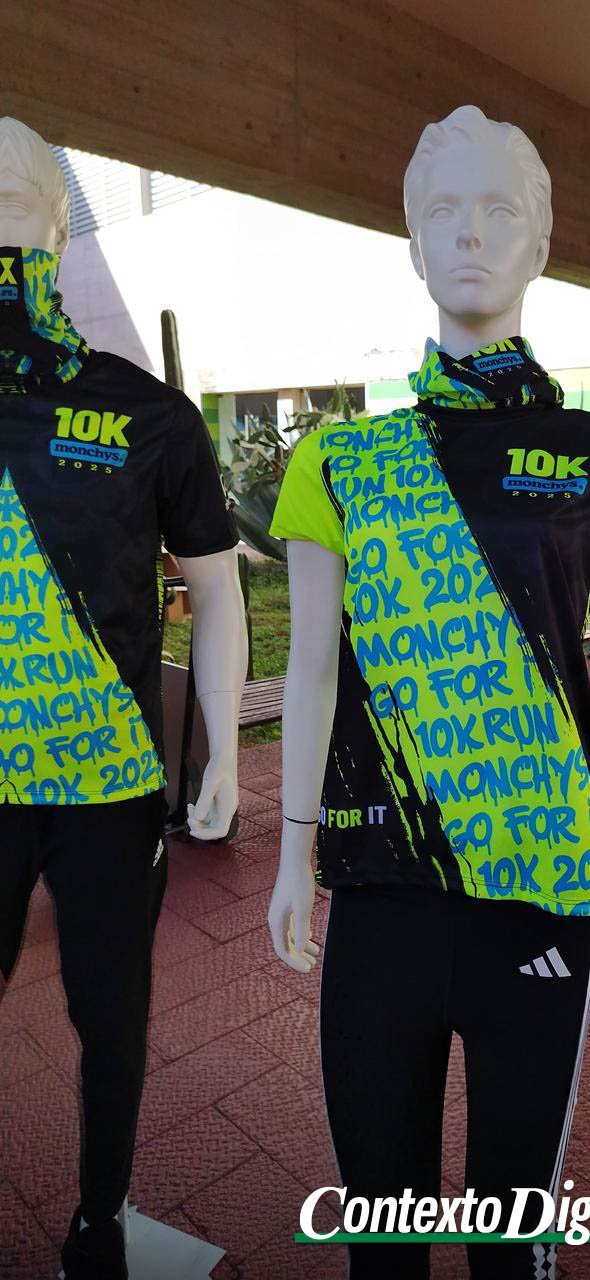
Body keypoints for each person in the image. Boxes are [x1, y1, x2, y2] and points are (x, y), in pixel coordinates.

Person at [267, 105, 590, 1279]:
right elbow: (314, 668)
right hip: (378, 894)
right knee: (382, 1240)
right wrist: (291, 850)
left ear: (541, 243)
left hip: (539, 898)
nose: (469, 233)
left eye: (498, 208)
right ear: (412, 241)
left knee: (510, 1247)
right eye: (444, 210)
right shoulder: (340, 459)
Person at [0, 116, 247, 1280]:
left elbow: (219, 588)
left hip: (110, 786)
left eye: (15, 199)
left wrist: (223, 752)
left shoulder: (148, 416)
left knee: (112, 1019)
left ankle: (100, 1222)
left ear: (60, 228)